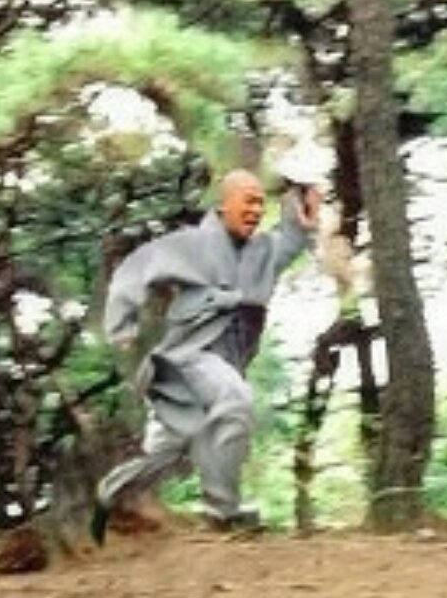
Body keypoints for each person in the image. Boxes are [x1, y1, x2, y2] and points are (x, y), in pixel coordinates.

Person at [91, 166, 322, 545]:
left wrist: (301, 208)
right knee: (235, 399)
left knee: (167, 452)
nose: (255, 211)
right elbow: (136, 269)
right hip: (188, 357)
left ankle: (111, 491)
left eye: (260, 204)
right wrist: (121, 324)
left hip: (219, 367)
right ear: (224, 203)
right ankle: (223, 510)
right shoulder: (192, 245)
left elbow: (292, 240)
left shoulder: (263, 252)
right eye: (248, 202)